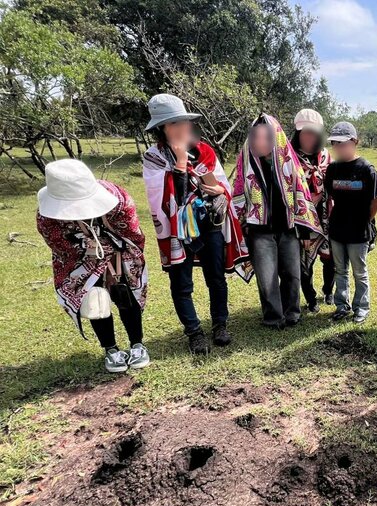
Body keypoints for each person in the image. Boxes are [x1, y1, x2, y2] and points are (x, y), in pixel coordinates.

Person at [142, 94, 250, 355]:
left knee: (216, 277)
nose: (181, 128)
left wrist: (216, 191)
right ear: (162, 128)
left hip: (208, 222)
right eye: (173, 124)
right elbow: (167, 200)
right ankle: (194, 333)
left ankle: (220, 326)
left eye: (183, 122)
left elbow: (221, 186)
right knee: (181, 283)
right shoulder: (154, 158)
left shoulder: (204, 151)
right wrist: (180, 163)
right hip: (177, 230)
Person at [37, 159, 150, 373]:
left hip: (117, 251)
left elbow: (132, 233)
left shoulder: (118, 199)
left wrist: (107, 247)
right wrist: (83, 245)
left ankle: (137, 344)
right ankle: (111, 349)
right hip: (80, 258)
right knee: (96, 300)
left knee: (123, 293)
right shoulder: (47, 217)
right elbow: (58, 243)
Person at [232, 113, 322, 329]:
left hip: (288, 229)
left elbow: (301, 194)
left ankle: (292, 313)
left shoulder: (288, 162)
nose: (260, 142)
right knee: (267, 277)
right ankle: (273, 317)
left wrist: (305, 232)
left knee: (292, 274)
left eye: (266, 137)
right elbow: (236, 197)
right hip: (259, 231)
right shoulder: (246, 164)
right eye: (256, 138)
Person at [324, 121, 377, 324]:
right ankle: (342, 305)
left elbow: (376, 203)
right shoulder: (332, 169)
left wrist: (364, 220)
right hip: (337, 229)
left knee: (360, 272)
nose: (339, 148)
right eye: (335, 144)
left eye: (343, 143)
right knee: (340, 270)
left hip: (358, 231)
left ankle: (361, 307)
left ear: (354, 142)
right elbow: (330, 197)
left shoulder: (367, 170)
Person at [291, 109, 335, 313]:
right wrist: (302, 227)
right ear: (297, 132)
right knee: (305, 262)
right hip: (302, 219)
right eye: (305, 132)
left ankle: (328, 291)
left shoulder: (326, 156)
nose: (310, 137)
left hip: (326, 215)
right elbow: (288, 194)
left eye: (314, 133)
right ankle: (310, 298)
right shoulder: (289, 158)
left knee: (330, 258)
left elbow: (334, 183)